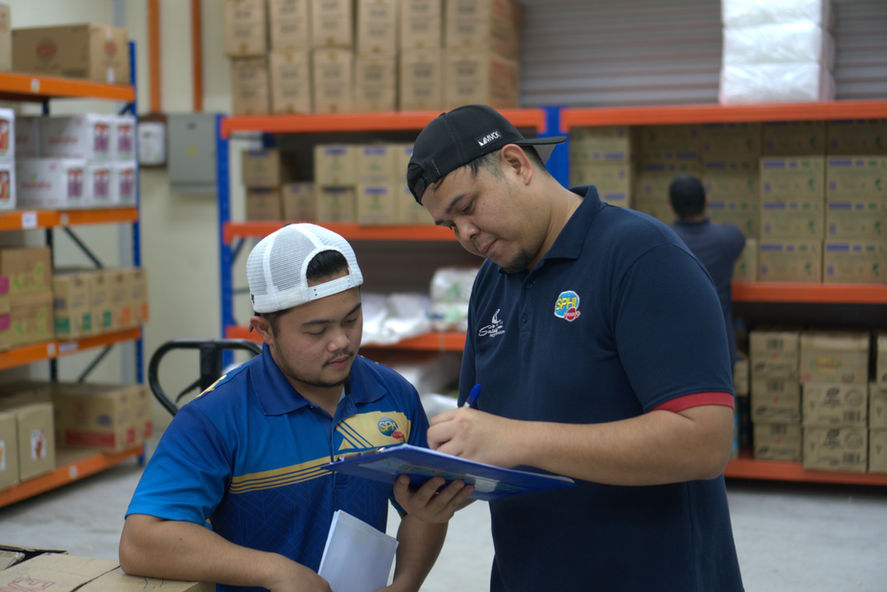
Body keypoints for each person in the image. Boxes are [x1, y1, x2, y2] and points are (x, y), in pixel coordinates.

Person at [398, 105, 744, 591]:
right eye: (448, 225)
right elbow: (486, 438)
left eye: (468, 206)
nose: (466, 235)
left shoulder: (642, 258)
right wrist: (441, 480)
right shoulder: (490, 284)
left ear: (517, 165)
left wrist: (518, 440)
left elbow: (704, 441)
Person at [119, 223, 471, 592]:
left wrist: (406, 583)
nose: (341, 342)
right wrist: (274, 571)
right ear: (264, 330)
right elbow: (141, 541)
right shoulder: (216, 418)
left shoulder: (394, 398)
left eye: (351, 320)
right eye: (316, 331)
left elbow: (426, 506)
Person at [669, 173, 747, 364]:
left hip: (678, 348)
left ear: (672, 207)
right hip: (720, 346)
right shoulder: (728, 238)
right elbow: (738, 237)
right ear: (706, 201)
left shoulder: (664, 241)